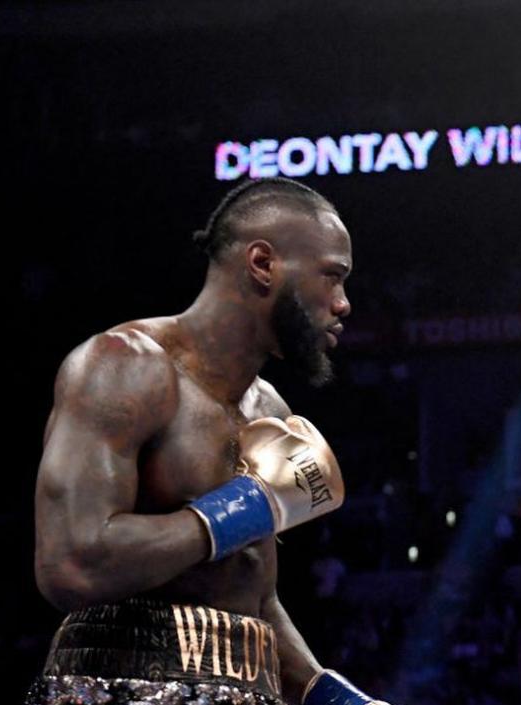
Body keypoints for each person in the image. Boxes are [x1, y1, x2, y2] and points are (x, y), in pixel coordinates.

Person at [29, 177, 388, 704]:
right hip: (120, 686)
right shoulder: (125, 367)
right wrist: (245, 507)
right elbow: (72, 563)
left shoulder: (269, 413)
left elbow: (251, 597)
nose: (343, 304)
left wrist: (328, 694)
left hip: (246, 686)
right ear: (262, 263)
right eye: (331, 278)